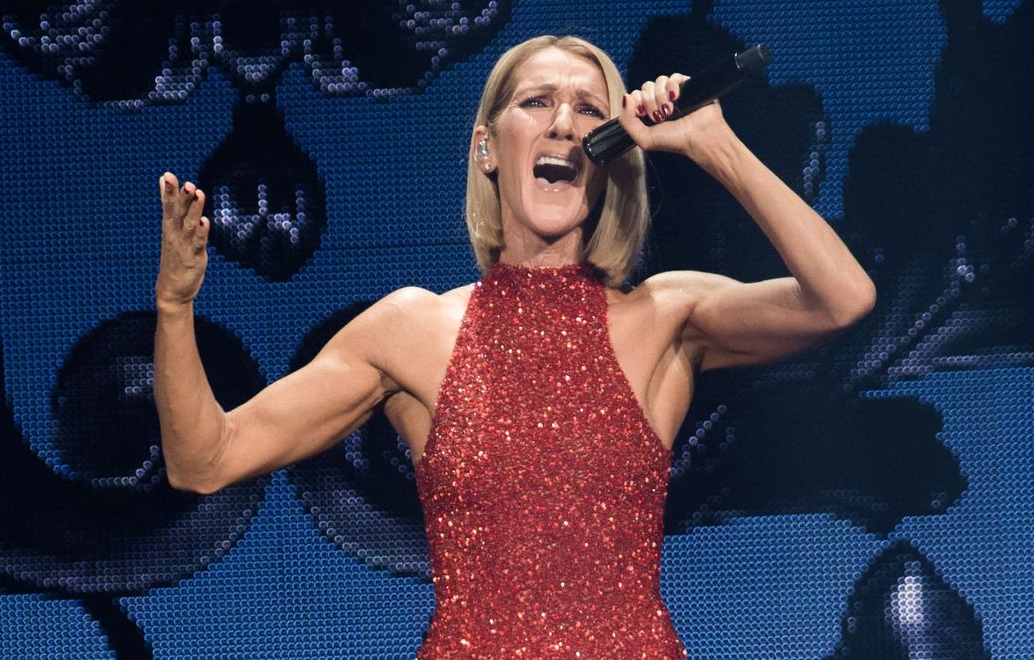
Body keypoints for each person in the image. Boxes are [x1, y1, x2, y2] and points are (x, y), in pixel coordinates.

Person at [154, 35, 875, 658]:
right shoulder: (412, 331)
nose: (564, 122)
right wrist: (175, 305)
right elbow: (204, 459)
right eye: (536, 102)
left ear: (611, 151)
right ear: (487, 146)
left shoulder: (665, 316)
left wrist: (714, 144)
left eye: (590, 109)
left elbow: (843, 296)